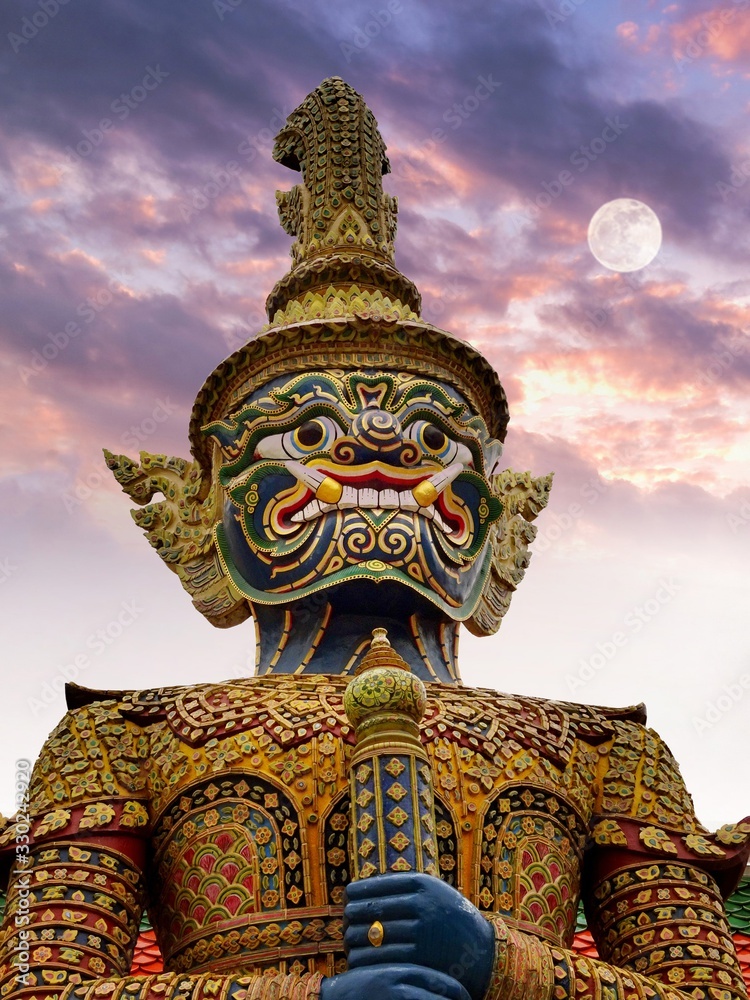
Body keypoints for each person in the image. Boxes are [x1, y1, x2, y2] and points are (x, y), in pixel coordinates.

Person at [1, 77, 747, 1000]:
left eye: (437, 441)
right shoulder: (118, 738)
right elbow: (37, 988)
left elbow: (711, 995)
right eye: (305, 434)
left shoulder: (603, 753)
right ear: (203, 507)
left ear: (502, 514)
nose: (381, 453)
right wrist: (303, 997)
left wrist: (499, 960)